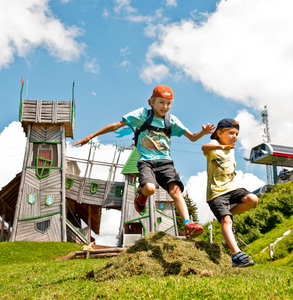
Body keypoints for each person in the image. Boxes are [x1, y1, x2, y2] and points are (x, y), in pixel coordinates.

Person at [73, 85, 215, 239]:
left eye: (168, 103)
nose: (165, 107)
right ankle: (141, 193)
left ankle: (188, 224)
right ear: (152, 102)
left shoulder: (171, 121)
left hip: (166, 162)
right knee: (150, 188)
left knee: (176, 191)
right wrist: (91, 136)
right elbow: (116, 125)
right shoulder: (142, 115)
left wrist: (203, 132)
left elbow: (192, 137)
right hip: (146, 161)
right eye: (161, 102)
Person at [201, 118, 259, 267]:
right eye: (231, 133)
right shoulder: (215, 144)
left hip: (231, 189)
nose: (235, 136)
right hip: (216, 193)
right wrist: (221, 148)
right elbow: (204, 147)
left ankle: (228, 217)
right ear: (219, 133)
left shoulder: (231, 149)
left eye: (237, 134)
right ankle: (236, 255)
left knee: (252, 199)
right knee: (226, 221)